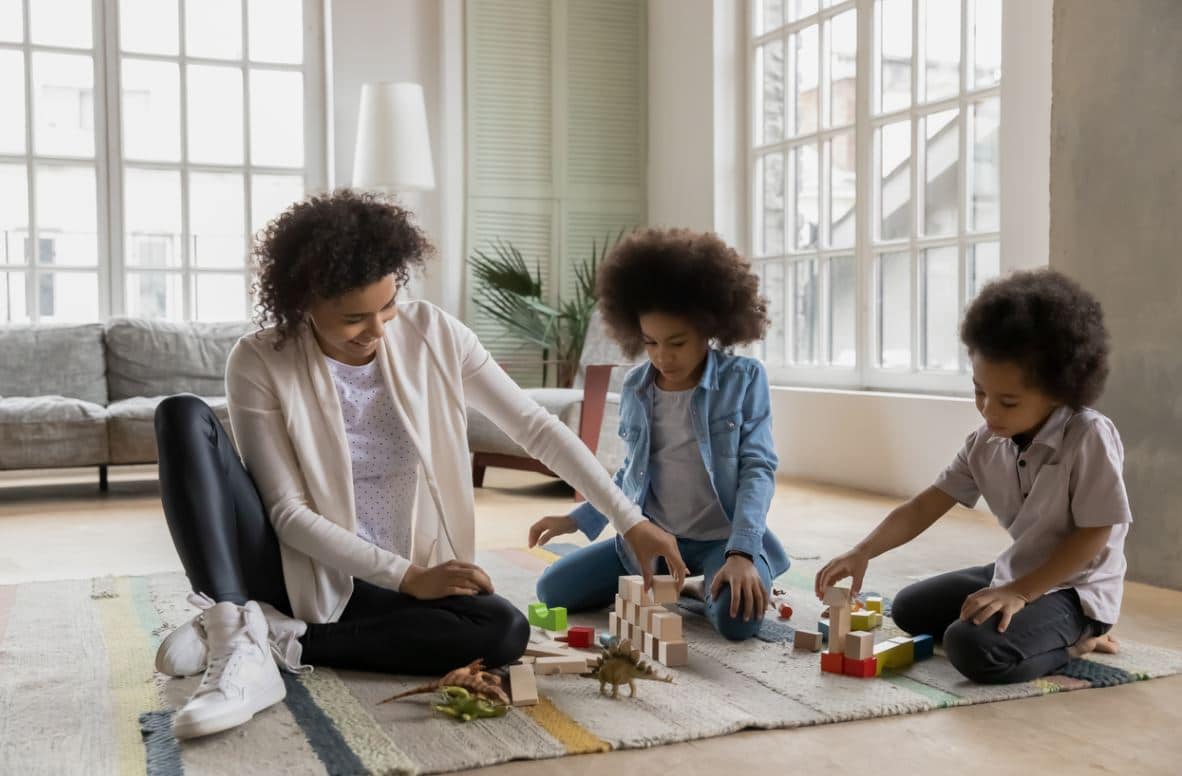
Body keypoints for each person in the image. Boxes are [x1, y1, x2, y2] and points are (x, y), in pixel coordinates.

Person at [153, 190, 688, 739]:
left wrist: (630, 519)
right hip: (295, 567)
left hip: (394, 581)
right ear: (303, 304)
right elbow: (287, 514)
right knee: (180, 416)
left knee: (502, 629)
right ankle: (232, 631)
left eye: (388, 305)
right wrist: (411, 578)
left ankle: (275, 635)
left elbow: (536, 427)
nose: (379, 329)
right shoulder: (260, 359)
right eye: (354, 318)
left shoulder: (435, 334)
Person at [815, 269, 1128, 683]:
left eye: (1008, 401)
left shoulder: (1088, 435)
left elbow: (1094, 536)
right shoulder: (986, 441)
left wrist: (1018, 592)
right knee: (909, 608)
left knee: (972, 647)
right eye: (980, 391)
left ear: (1058, 390)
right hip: (1021, 570)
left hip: (1078, 590)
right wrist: (863, 552)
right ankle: (1018, 605)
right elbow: (925, 504)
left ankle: (1079, 642)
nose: (988, 411)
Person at [529, 227, 788, 641]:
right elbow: (630, 475)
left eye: (677, 343)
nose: (662, 357)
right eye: (650, 342)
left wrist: (741, 553)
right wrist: (576, 519)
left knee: (739, 622)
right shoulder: (637, 386)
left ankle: (729, 575)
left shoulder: (745, 379)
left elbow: (758, 470)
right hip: (655, 537)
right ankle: (687, 584)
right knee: (551, 590)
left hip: (722, 540)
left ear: (709, 327)